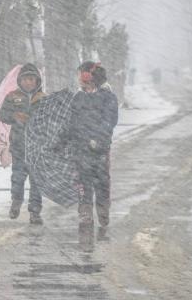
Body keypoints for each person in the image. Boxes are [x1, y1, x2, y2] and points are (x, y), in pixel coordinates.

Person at [69, 61, 118, 246]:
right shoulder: (78, 98)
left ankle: (103, 212)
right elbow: (72, 122)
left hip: (100, 149)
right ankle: (85, 213)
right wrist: (65, 140)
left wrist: (97, 138)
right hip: (80, 149)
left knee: (102, 181)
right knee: (82, 182)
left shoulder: (108, 97)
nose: (81, 79)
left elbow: (109, 120)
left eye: (83, 75)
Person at [0, 63, 46, 224]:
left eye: (31, 79)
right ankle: (16, 201)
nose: (28, 82)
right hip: (19, 146)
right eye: (25, 79)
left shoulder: (44, 98)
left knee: (37, 181)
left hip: (38, 147)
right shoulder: (12, 97)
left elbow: (50, 120)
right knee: (18, 177)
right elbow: (3, 115)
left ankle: (35, 212)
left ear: (37, 81)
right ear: (20, 80)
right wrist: (15, 116)